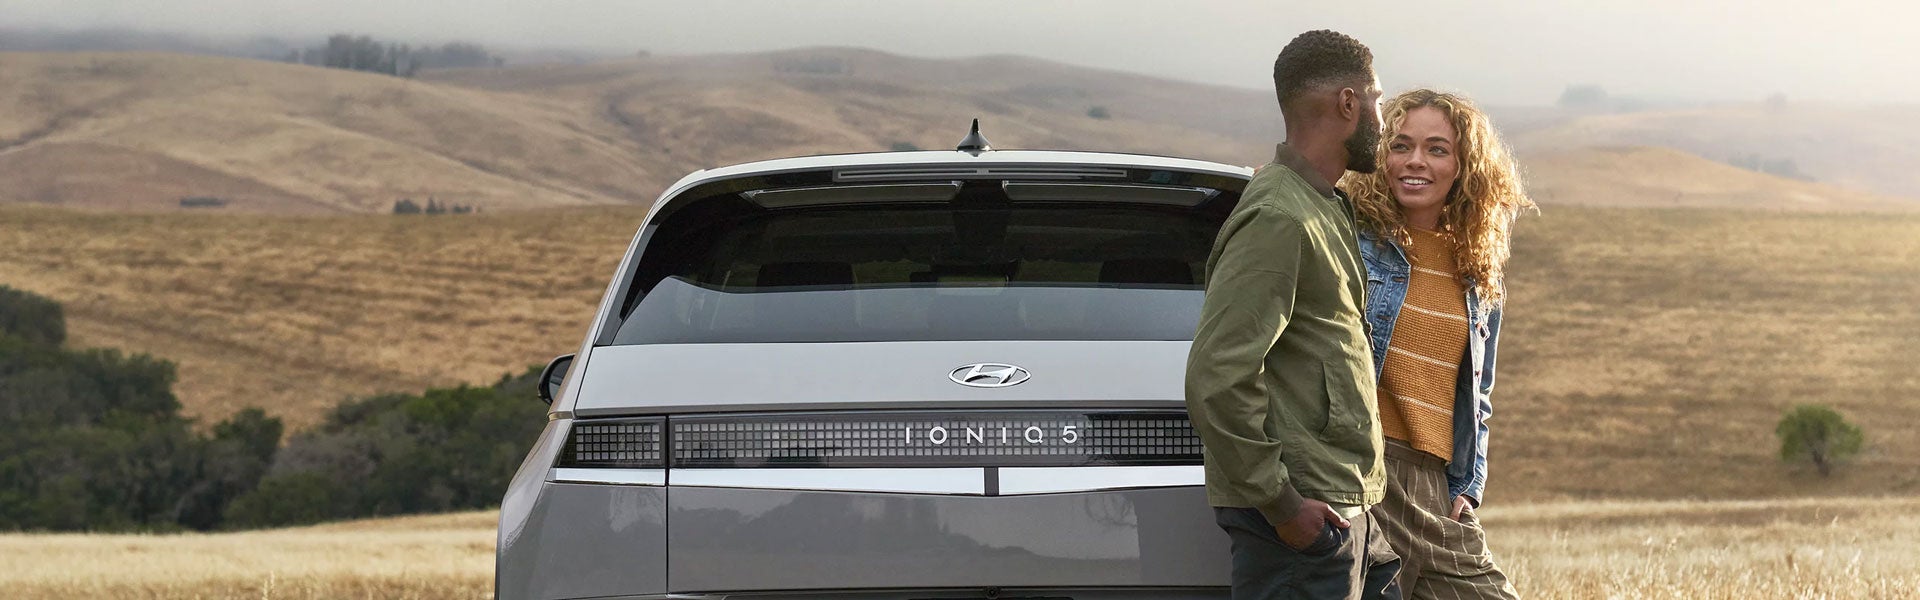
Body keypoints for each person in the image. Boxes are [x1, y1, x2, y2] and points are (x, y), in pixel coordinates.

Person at [1185, 29, 1400, 600]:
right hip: (1304, 519)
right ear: (1348, 103)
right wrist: (1282, 506)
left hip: (1346, 506)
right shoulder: (1280, 217)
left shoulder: (1322, 203)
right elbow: (1217, 375)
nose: (1383, 118)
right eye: (1377, 99)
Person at [1341, 88, 1532, 599]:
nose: (1415, 161)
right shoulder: (1351, 242)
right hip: (1365, 473)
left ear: (1464, 167)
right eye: (1401, 145)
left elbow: (1478, 391)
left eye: (1437, 149)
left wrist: (1470, 486)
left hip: (1436, 485)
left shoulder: (1477, 269)